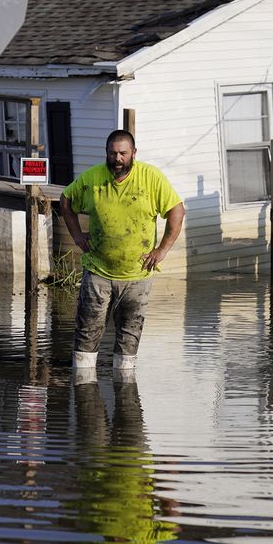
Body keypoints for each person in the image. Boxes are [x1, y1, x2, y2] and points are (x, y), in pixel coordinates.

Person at [59, 130, 184, 374]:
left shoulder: (151, 178)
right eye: (113, 153)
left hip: (137, 274)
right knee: (86, 335)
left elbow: (177, 211)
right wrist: (76, 235)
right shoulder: (93, 177)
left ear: (134, 153)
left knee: (129, 339)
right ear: (106, 153)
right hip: (98, 271)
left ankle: (126, 389)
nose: (118, 159)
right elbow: (66, 200)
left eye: (123, 153)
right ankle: (84, 386)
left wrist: (161, 250)